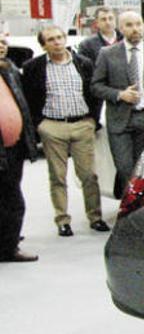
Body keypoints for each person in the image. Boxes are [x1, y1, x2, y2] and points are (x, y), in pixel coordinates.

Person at [21, 26, 107, 237]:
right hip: (52, 126)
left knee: (89, 175)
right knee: (57, 176)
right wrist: (39, 124)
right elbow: (29, 97)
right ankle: (62, 220)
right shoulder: (34, 67)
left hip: (81, 124)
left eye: (60, 37)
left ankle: (95, 217)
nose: (57, 42)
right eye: (51, 39)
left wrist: (91, 121)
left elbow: (94, 93)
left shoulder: (83, 64)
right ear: (44, 45)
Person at [90, 11, 144, 199]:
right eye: (130, 25)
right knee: (125, 168)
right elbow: (96, 86)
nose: (135, 29)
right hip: (119, 120)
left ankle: (143, 209)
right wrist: (119, 95)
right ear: (121, 28)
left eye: (138, 24)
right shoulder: (107, 54)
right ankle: (130, 209)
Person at [0, 44, 38, 262]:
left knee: (10, 197)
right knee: (11, 200)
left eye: (3, 43)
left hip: (14, 148)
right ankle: (7, 246)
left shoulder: (10, 70)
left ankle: (8, 242)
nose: (1, 47)